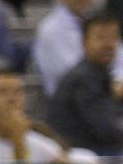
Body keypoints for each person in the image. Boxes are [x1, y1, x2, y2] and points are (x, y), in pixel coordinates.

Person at [33, 0, 118, 95]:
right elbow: (73, 78)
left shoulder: (100, 23)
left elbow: (120, 59)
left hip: (107, 97)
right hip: (72, 105)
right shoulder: (50, 30)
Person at [49, 15, 123, 156]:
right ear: (84, 44)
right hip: (82, 156)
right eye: (100, 38)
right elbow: (107, 130)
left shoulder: (99, 72)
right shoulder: (83, 78)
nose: (108, 44)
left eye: (113, 37)